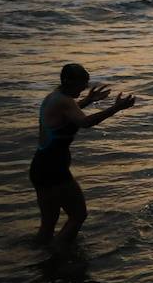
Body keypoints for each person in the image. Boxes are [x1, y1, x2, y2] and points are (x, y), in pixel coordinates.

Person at [30, 64, 137, 253]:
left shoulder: (54, 97)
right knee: (78, 215)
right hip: (55, 170)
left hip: (40, 167)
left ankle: (36, 260)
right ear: (68, 81)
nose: (83, 89)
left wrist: (88, 100)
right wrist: (116, 108)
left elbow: (68, 115)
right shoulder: (64, 101)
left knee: (47, 225)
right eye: (82, 85)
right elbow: (86, 122)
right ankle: (56, 257)